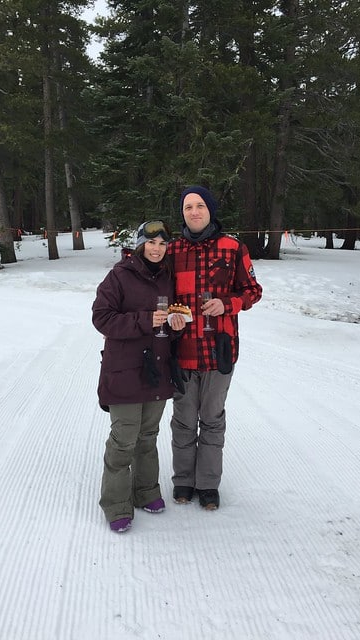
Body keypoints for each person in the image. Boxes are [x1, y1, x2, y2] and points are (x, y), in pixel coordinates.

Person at [167, 186, 263, 510]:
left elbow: (252, 290)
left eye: (200, 206)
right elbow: (159, 295)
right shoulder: (172, 250)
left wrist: (228, 304)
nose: (193, 211)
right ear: (182, 213)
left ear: (211, 209)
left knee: (211, 418)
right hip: (182, 351)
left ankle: (208, 484)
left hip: (219, 350)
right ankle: (183, 480)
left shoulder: (233, 247)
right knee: (182, 420)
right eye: (188, 207)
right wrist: (169, 314)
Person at [92, 220, 186, 533]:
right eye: (151, 242)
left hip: (157, 369)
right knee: (123, 441)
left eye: (162, 243)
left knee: (147, 437)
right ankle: (117, 504)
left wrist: (175, 326)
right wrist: (145, 320)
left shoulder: (169, 277)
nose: (157, 249)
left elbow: (171, 321)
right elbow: (102, 318)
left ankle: (146, 491)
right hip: (124, 371)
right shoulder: (120, 275)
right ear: (139, 244)